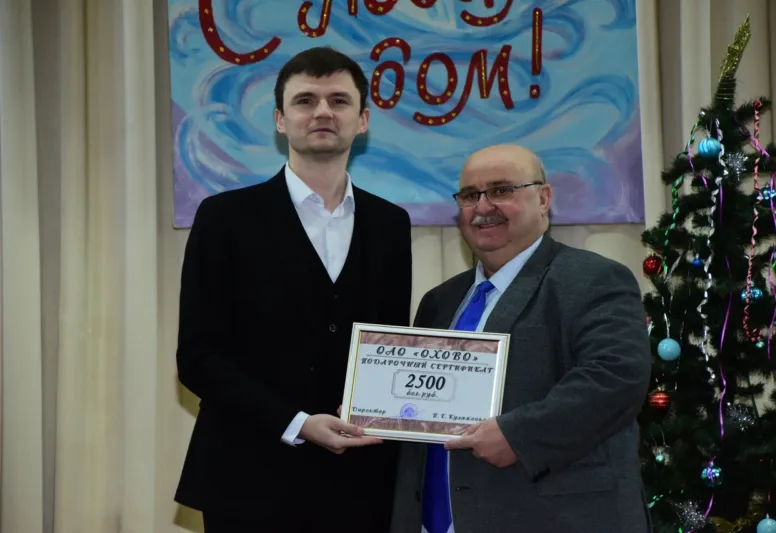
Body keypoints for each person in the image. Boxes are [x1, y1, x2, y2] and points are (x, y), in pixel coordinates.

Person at [173, 46, 413, 533]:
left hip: (360, 482)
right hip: (247, 477)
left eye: (339, 101)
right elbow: (198, 357)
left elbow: (386, 346)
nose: (323, 111)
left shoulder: (391, 223)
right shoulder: (224, 218)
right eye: (305, 100)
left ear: (363, 120)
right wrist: (298, 422)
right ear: (281, 121)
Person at [390, 144, 652, 533]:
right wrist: (375, 409)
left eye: (501, 190)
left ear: (543, 199)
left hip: (553, 519)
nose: (483, 207)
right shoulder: (439, 301)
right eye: (470, 195)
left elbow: (615, 377)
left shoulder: (592, 278)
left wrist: (518, 435)